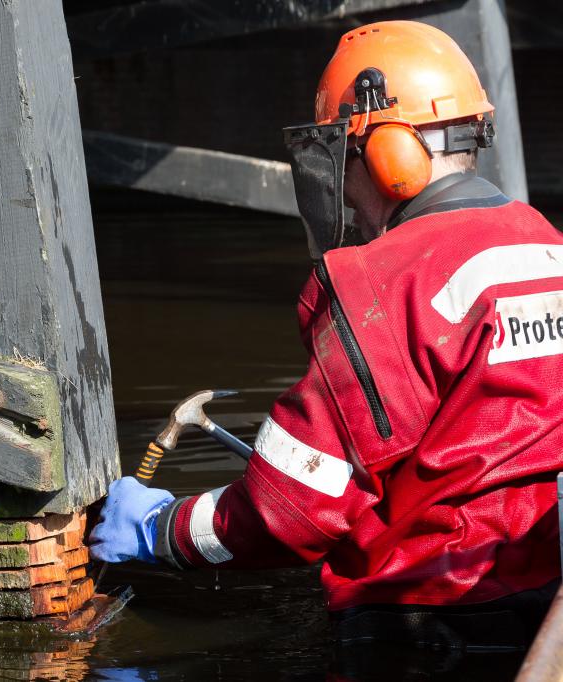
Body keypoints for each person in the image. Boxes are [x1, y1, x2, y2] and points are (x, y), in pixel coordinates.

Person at [90, 20, 563, 650]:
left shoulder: (383, 284)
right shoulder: (544, 244)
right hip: (541, 593)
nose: (341, 185)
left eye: (344, 158)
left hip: (428, 621)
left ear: (391, 156)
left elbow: (292, 511)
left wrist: (164, 528)